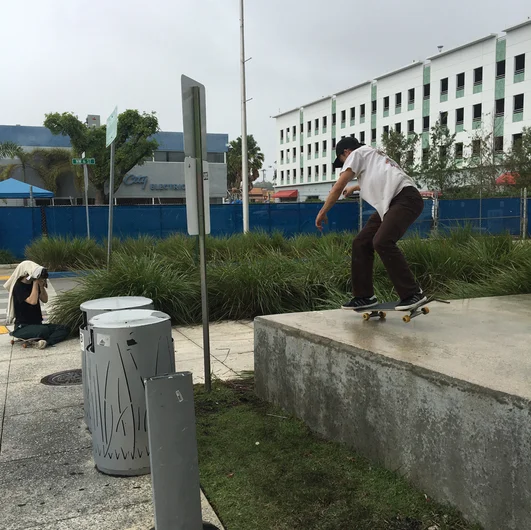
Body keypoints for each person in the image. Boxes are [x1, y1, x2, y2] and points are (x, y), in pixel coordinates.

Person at [315, 136, 426, 311]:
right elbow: (381, 178)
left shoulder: (356, 154)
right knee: (361, 242)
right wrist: (355, 188)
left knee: (382, 241)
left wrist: (322, 212)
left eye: (342, 162)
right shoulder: (373, 155)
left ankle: (413, 293)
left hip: (405, 200)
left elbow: (338, 186)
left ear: (346, 152)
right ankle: (364, 296)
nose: (344, 167)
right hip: (392, 203)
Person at [4, 260, 69, 349]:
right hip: (23, 327)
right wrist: (35, 282)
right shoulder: (18, 286)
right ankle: (41, 338)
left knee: (64, 328)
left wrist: (41, 285)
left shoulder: (35, 285)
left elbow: (45, 299)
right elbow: (33, 301)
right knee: (44, 331)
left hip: (37, 324)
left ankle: (45, 342)